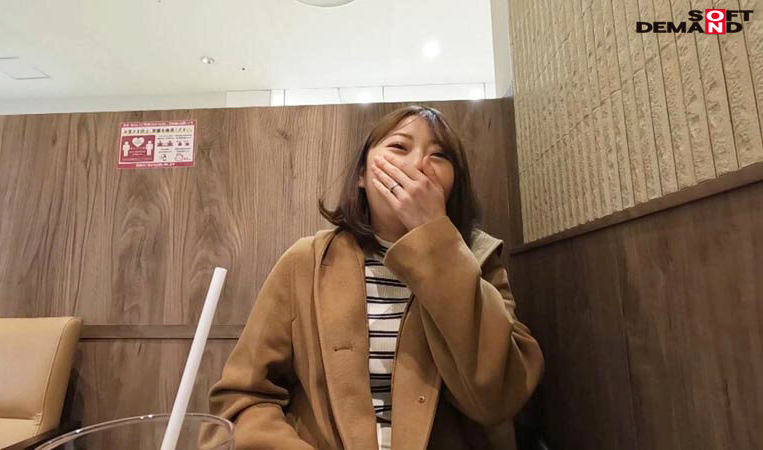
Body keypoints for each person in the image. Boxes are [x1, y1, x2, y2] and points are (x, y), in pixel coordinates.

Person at [200, 106, 544, 450]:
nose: (418, 164)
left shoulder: (480, 259)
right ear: (362, 175)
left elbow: (498, 397)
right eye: (399, 147)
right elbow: (243, 398)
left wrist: (434, 238)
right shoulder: (305, 261)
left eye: (439, 155)